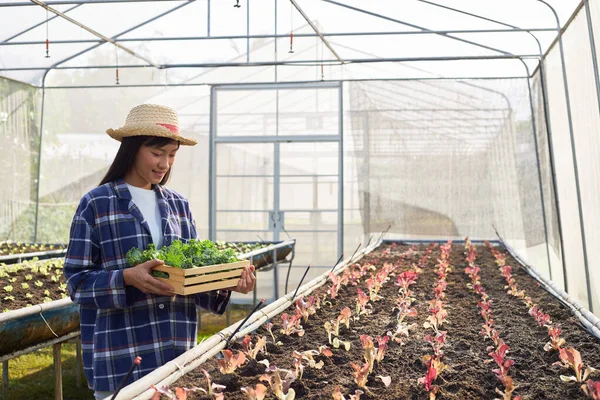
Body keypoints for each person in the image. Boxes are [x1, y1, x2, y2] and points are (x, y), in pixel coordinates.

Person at [63, 104, 256, 400]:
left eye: (172, 154)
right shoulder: (97, 204)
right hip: (122, 358)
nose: (165, 163)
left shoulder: (179, 205)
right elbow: (77, 282)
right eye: (157, 153)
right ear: (133, 149)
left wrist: (227, 282)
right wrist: (126, 278)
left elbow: (187, 279)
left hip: (176, 353)